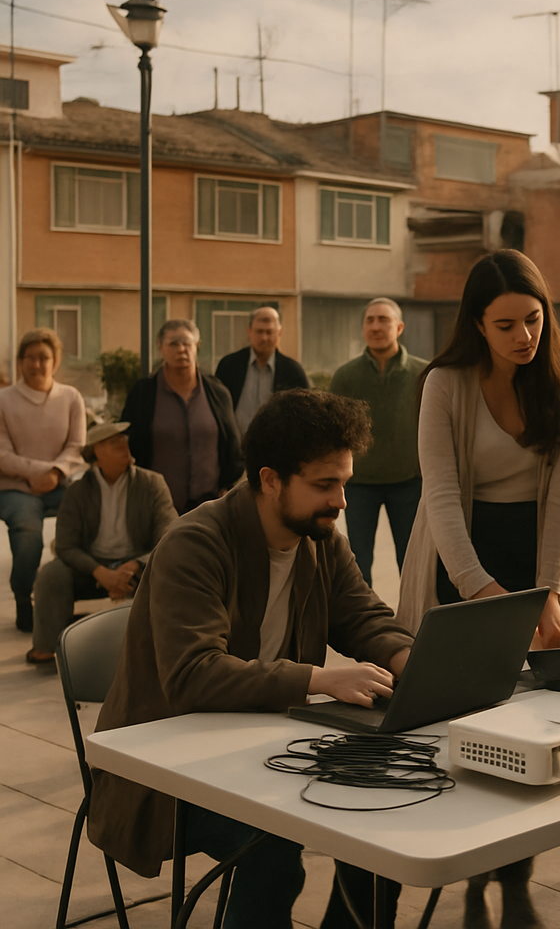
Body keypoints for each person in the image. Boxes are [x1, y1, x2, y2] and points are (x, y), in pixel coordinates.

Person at [87, 388, 415, 929]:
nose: (341, 501)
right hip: (168, 770)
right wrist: (319, 679)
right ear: (270, 479)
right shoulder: (196, 543)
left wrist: (412, 662)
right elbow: (193, 676)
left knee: (387, 810)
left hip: (265, 749)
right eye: (324, 485)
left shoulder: (320, 537)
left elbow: (362, 616)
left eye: (344, 483)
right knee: (274, 844)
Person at [396, 249, 560, 928]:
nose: (524, 338)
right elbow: (443, 496)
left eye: (534, 321)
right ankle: (464, 864)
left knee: (533, 720)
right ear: (477, 325)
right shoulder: (445, 382)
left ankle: (514, 873)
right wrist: (483, 593)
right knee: (462, 718)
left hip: (539, 551)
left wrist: (543, 592)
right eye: (506, 325)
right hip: (460, 559)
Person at [25, 421, 177, 664]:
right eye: (112, 442)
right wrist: (100, 572)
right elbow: (65, 545)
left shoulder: (152, 483)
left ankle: (167, 650)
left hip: (137, 562)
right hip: (91, 565)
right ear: (96, 452)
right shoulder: (77, 491)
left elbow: (169, 535)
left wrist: (135, 565)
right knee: (51, 574)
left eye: (123, 440)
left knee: (171, 570)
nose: (123, 445)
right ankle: (45, 647)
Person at [329, 298, 428, 588]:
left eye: (383, 319)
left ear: (399, 327)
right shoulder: (346, 376)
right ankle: (364, 626)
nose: (375, 326)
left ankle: (415, 626)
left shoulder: (424, 374)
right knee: (357, 563)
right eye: (369, 320)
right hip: (359, 485)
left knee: (412, 560)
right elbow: (333, 432)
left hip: (410, 482)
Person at [0, 328, 86, 632]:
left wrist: (55, 472)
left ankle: (82, 590)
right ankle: (24, 598)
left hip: (59, 483)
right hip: (15, 488)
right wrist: (36, 473)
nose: (37, 364)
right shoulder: (4, 400)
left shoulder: (71, 397)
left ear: (56, 360)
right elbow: (1, 452)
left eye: (44, 358)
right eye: (30, 358)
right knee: (27, 533)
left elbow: (77, 446)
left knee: (90, 515)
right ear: (21, 361)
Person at [121, 319, 244, 514]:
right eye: (173, 343)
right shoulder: (143, 394)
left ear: (196, 347)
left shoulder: (217, 392)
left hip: (209, 507)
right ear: (160, 348)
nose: (181, 349)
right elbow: (127, 444)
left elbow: (233, 445)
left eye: (187, 343)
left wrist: (227, 485)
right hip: (157, 508)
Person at [215, 305, 310, 435]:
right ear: (249, 332)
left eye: (269, 332)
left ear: (279, 333)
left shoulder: (293, 371)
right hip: (235, 449)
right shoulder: (229, 366)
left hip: (277, 450)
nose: (264, 338)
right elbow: (217, 409)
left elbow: (303, 415)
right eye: (259, 331)